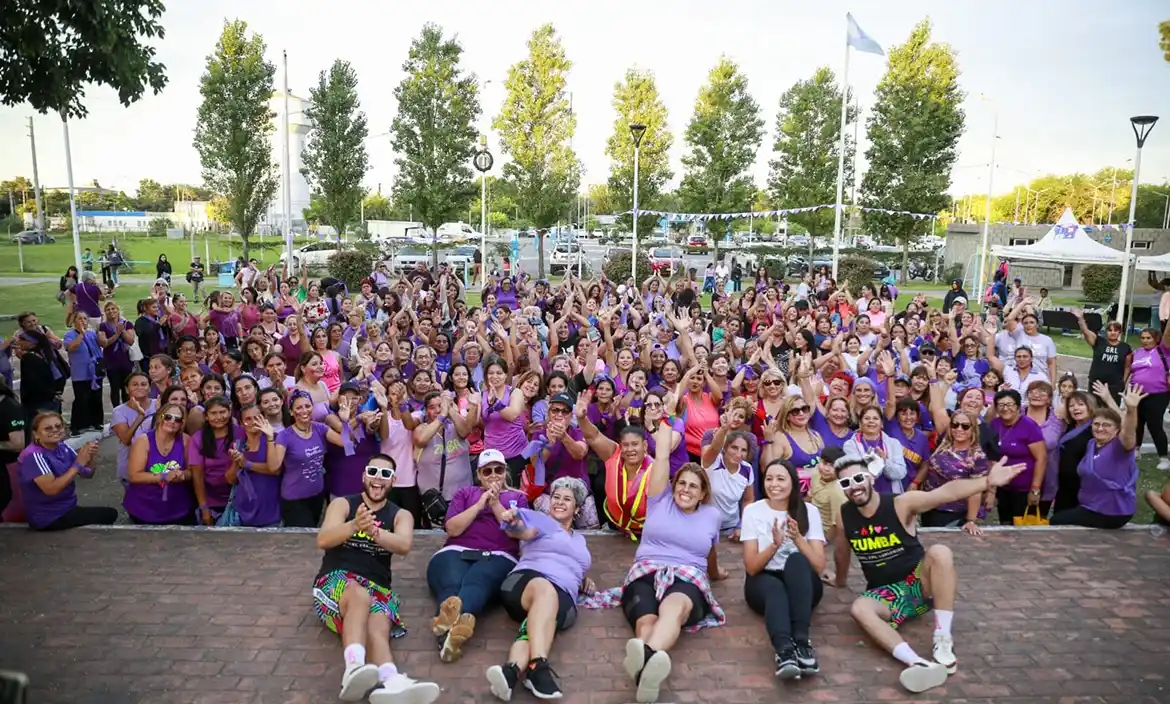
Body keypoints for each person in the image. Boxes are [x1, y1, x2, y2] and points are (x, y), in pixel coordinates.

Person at [824, 452, 1027, 693]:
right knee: (859, 608)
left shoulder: (901, 504)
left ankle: (943, 639)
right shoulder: (845, 515)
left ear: (870, 476)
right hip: (888, 596)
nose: (854, 487)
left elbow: (945, 493)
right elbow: (842, 552)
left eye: (858, 478)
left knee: (940, 552)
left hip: (920, 585)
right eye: (845, 483)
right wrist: (839, 580)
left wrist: (986, 482)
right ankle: (918, 664)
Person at [588, 421, 724, 704]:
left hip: (688, 577)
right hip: (646, 570)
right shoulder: (659, 500)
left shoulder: (712, 516)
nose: (686, 490)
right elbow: (661, 458)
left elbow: (711, 553)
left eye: (693, 486)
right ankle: (648, 672)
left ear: (703, 493)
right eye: (682, 483)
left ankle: (645, 657)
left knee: (673, 610)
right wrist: (667, 422)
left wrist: (717, 574)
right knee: (646, 619)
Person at [312, 453, 440, 703]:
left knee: (378, 626)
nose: (377, 479)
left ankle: (392, 680)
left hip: (378, 587)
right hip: (335, 581)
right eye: (373, 472)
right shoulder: (344, 505)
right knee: (358, 595)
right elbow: (323, 539)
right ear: (364, 476)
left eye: (385, 475)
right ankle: (353, 668)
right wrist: (353, 526)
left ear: (392, 481)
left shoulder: (401, 515)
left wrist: (372, 530)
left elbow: (403, 545)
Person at [485, 476, 594, 701]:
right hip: (527, 583)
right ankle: (539, 667)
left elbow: (573, 563)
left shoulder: (581, 541)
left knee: (531, 632)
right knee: (545, 590)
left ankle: (510, 673)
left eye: (567, 499)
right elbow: (519, 531)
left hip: (565, 599)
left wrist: (583, 579)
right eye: (556, 497)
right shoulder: (540, 523)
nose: (560, 502)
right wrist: (503, 511)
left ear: (577, 509)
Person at [426, 449, 525, 663]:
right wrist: (480, 504)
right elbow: (452, 529)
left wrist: (496, 503)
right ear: (479, 475)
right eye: (487, 471)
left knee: (477, 579)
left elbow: (514, 532)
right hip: (456, 550)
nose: (493, 475)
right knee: (452, 585)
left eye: (498, 470)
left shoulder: (517, 497)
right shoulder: (465, 493)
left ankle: (448, 631)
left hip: (498, 554)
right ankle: (454, 631)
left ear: (505, 471)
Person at [741, 459, 827, 680]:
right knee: (775, 589)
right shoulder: (753, 511)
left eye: (781, 478)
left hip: (802, 584)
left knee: (797, 561)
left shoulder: (809, 511)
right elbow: (751, 567)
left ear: (793, 483)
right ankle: (784, 651)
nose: (774, 484)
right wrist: (774, 545)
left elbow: (818, 566)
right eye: (769, 479)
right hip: (763, 579)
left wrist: (798, 539)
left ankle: (801, 642)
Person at [1050, 384, 1142, 529]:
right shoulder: (1092, 444)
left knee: (1057, 521)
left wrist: (1131, 409)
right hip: (1089, 505)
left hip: (1112, 510)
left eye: (1106, 425)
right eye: (1096, 424)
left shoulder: (1119, 447)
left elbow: (1129, 431)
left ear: (1117, 429)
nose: (1100, 428)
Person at [17, 412, 114, 530]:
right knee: (109, 515)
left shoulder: (62, 446)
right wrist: (78, 464)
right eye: (48, 428)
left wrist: (89, 457)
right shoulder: (33, 455)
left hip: (67, 507)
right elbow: (51, 489)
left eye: (58, 426)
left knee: (106, 514)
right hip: (49, 517)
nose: (55, 430)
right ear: (36, 434)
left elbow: (87, 474)